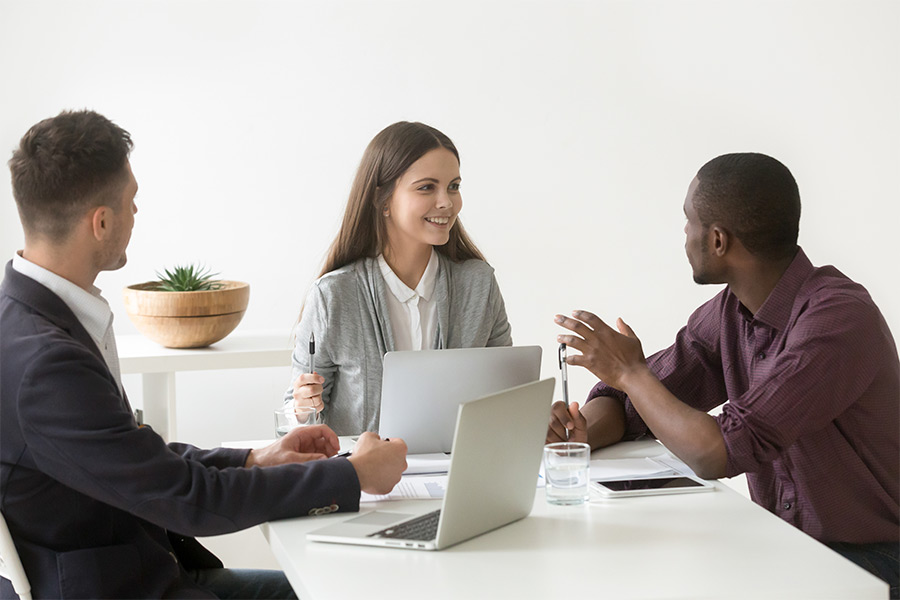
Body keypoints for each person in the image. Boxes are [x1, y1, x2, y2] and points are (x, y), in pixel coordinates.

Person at [0, 110, 408, 599]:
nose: (136, 215)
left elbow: (135, 460)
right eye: (132, 202)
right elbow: (188, 500)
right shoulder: (47, 363)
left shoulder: (31, 319)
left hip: (147, 568)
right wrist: (353, 474)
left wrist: (257, 459)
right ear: (101, 222)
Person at [548, 152, 899, 597]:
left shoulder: (838, 319)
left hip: (873, 562)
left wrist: (630, 371)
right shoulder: (731, 312)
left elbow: (717, 453)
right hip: (788, 549)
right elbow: (631, 404)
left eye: (688, 222)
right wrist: (579, 435)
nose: (684, 235)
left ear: (717, 240)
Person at [284, 121, 512, 435]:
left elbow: (508, 396)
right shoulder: (333, 295)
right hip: (362, 479)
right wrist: (301, 408)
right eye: (427, 187)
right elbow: (298, 421)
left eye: (454, 186)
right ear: (383, 199)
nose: (447, 202)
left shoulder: (479, 284)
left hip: (457, 473)